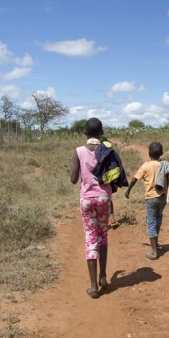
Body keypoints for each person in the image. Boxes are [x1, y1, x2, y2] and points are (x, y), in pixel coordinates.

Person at [69, 118, 113, 298]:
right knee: (103, 235)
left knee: (90, 238)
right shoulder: (107, 150)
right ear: (101, 132)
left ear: (85, 133)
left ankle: (94, 287)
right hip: (104, 198)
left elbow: (73, 179)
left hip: (87, 200)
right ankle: (103, 276)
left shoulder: (79, 151)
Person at [124, 141, 169, 260]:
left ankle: (154, 252)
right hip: (162, 197)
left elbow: (134, 179)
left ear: (148, 153)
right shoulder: (164, 165)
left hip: (151, 198)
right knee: (158, 218)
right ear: (161, 153)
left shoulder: (145, 166)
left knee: (151, 222)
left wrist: (128, 191)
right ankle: (155, 242)